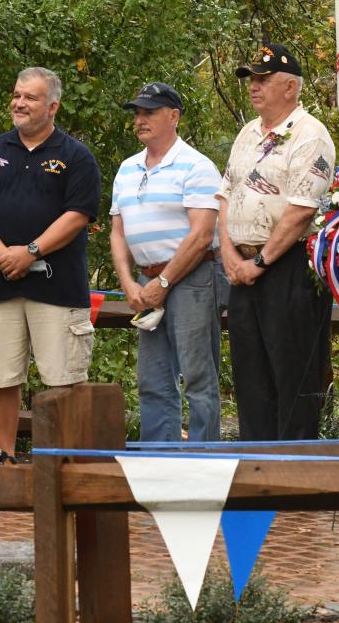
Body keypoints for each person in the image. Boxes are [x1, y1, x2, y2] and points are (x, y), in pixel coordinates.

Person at [0, 67, 100, 464]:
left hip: (58, 289)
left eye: (31, 97)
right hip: (2, 285)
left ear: (52, 106)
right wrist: (4, 253)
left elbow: (78, 215)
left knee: (63, 378)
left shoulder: (76, 156)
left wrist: (31, 251)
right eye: (17, 95)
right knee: (0, 376)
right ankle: (5, 455)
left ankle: (64, 462)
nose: (19, 103)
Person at [217, 43, 335, 441]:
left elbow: (301, 210)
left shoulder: (310, 135)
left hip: (289, 268)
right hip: (241, 267)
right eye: (251, 79)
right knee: (250, 376)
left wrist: (260, 263)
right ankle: (256, 471)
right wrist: (230, 255)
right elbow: (224, 195)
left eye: (263, 79)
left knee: (293, 375)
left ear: (290, 87)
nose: (254, 86)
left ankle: (296, 476)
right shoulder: (248, 133)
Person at [109, 82, 226, 441]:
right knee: (153, 376)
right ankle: (160, 456)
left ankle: (205, 458)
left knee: (197, 374)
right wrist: (129, 283)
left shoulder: (197, 166)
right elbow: (117, 231)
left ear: (173, 116)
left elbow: (202, 234)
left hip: (193, 277)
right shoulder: (127, 168)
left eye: (149, 112)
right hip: (147, 280)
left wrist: (163, 283)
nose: (140, 120)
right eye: (137, 113)